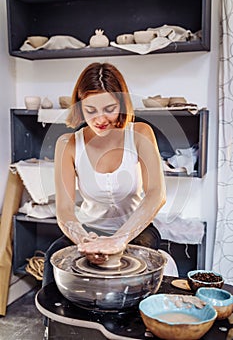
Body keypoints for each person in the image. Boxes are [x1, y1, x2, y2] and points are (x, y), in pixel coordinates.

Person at [43, 62, 166, 286]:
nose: (100, 119)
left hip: (135, 229)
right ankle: (56, 322)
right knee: (54, 258)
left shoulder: (140, 133)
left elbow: (156, 193)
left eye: (109, 109)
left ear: (120, 104)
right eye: (91, 111)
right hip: (89, 229)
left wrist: (120, 239)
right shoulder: (68, 144)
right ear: (80, 107)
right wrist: (83, 240)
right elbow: (64, 209)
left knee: (131, 267)